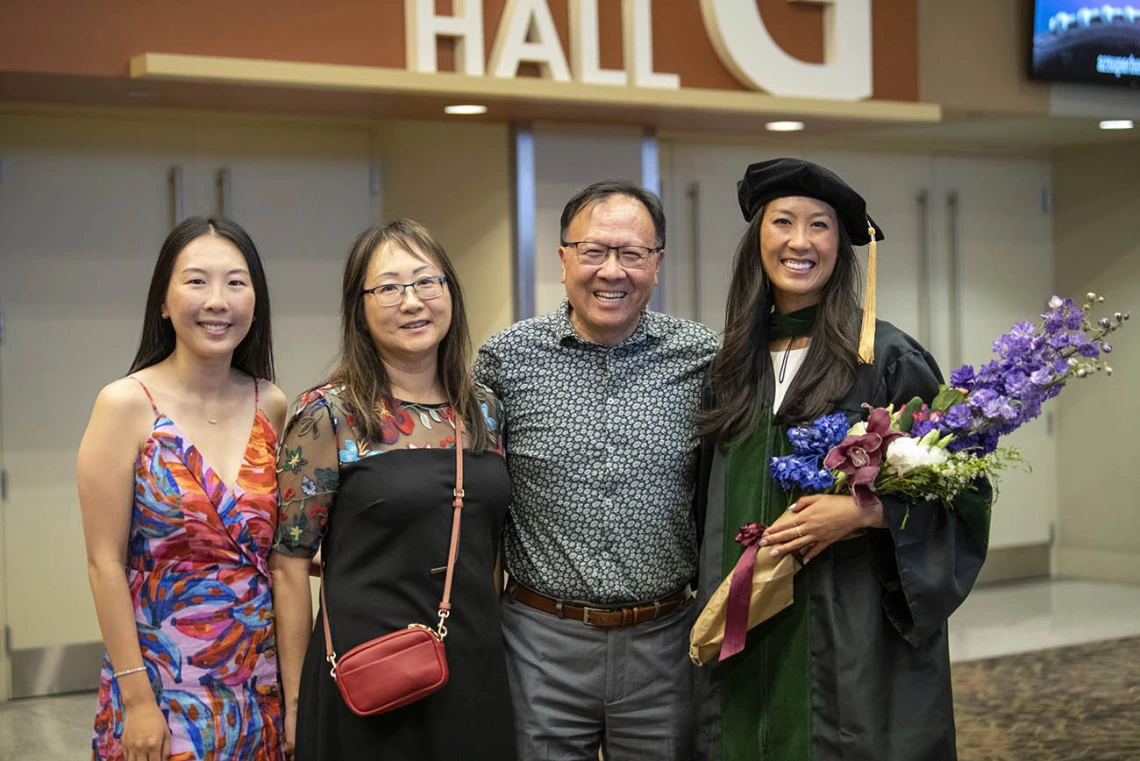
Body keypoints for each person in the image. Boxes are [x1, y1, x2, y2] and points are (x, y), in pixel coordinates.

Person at [693, 158, 993, 761]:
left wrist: (865, 515)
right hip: (743, 620)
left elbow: (962, 490)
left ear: (841, 245)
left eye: (820, 226)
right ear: (757, 239)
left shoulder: (883, 356)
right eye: (782, 222)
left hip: (849, 629)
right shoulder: (729, 366)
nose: (799, 241)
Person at [474, 180, 719, 760]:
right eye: (594, 251)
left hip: (666, 642)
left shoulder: (705, 358)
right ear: (563, 260)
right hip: (539, 643)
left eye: (632, 254)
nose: (613, 271)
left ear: (657, 264)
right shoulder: (506, 360)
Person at [269, 219, 515, 761]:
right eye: (389, 287)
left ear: (451, 291)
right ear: (358, 308)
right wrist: (293, 702)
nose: (412, 301)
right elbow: (289, 565)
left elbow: (488, 543)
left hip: (473, 662)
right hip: (364, 670)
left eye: (428, 282)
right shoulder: (328, 416)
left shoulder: (484, 409)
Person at [79, 216, 289, 761]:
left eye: (236, 283)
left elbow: (285, 555)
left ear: (256, 302)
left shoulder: (273, 405)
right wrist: (137, 698)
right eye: (196, 281)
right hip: (160, 687)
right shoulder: (125, 405)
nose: (217, 300)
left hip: (259, 685)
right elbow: (104, 563)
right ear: (165, 303)